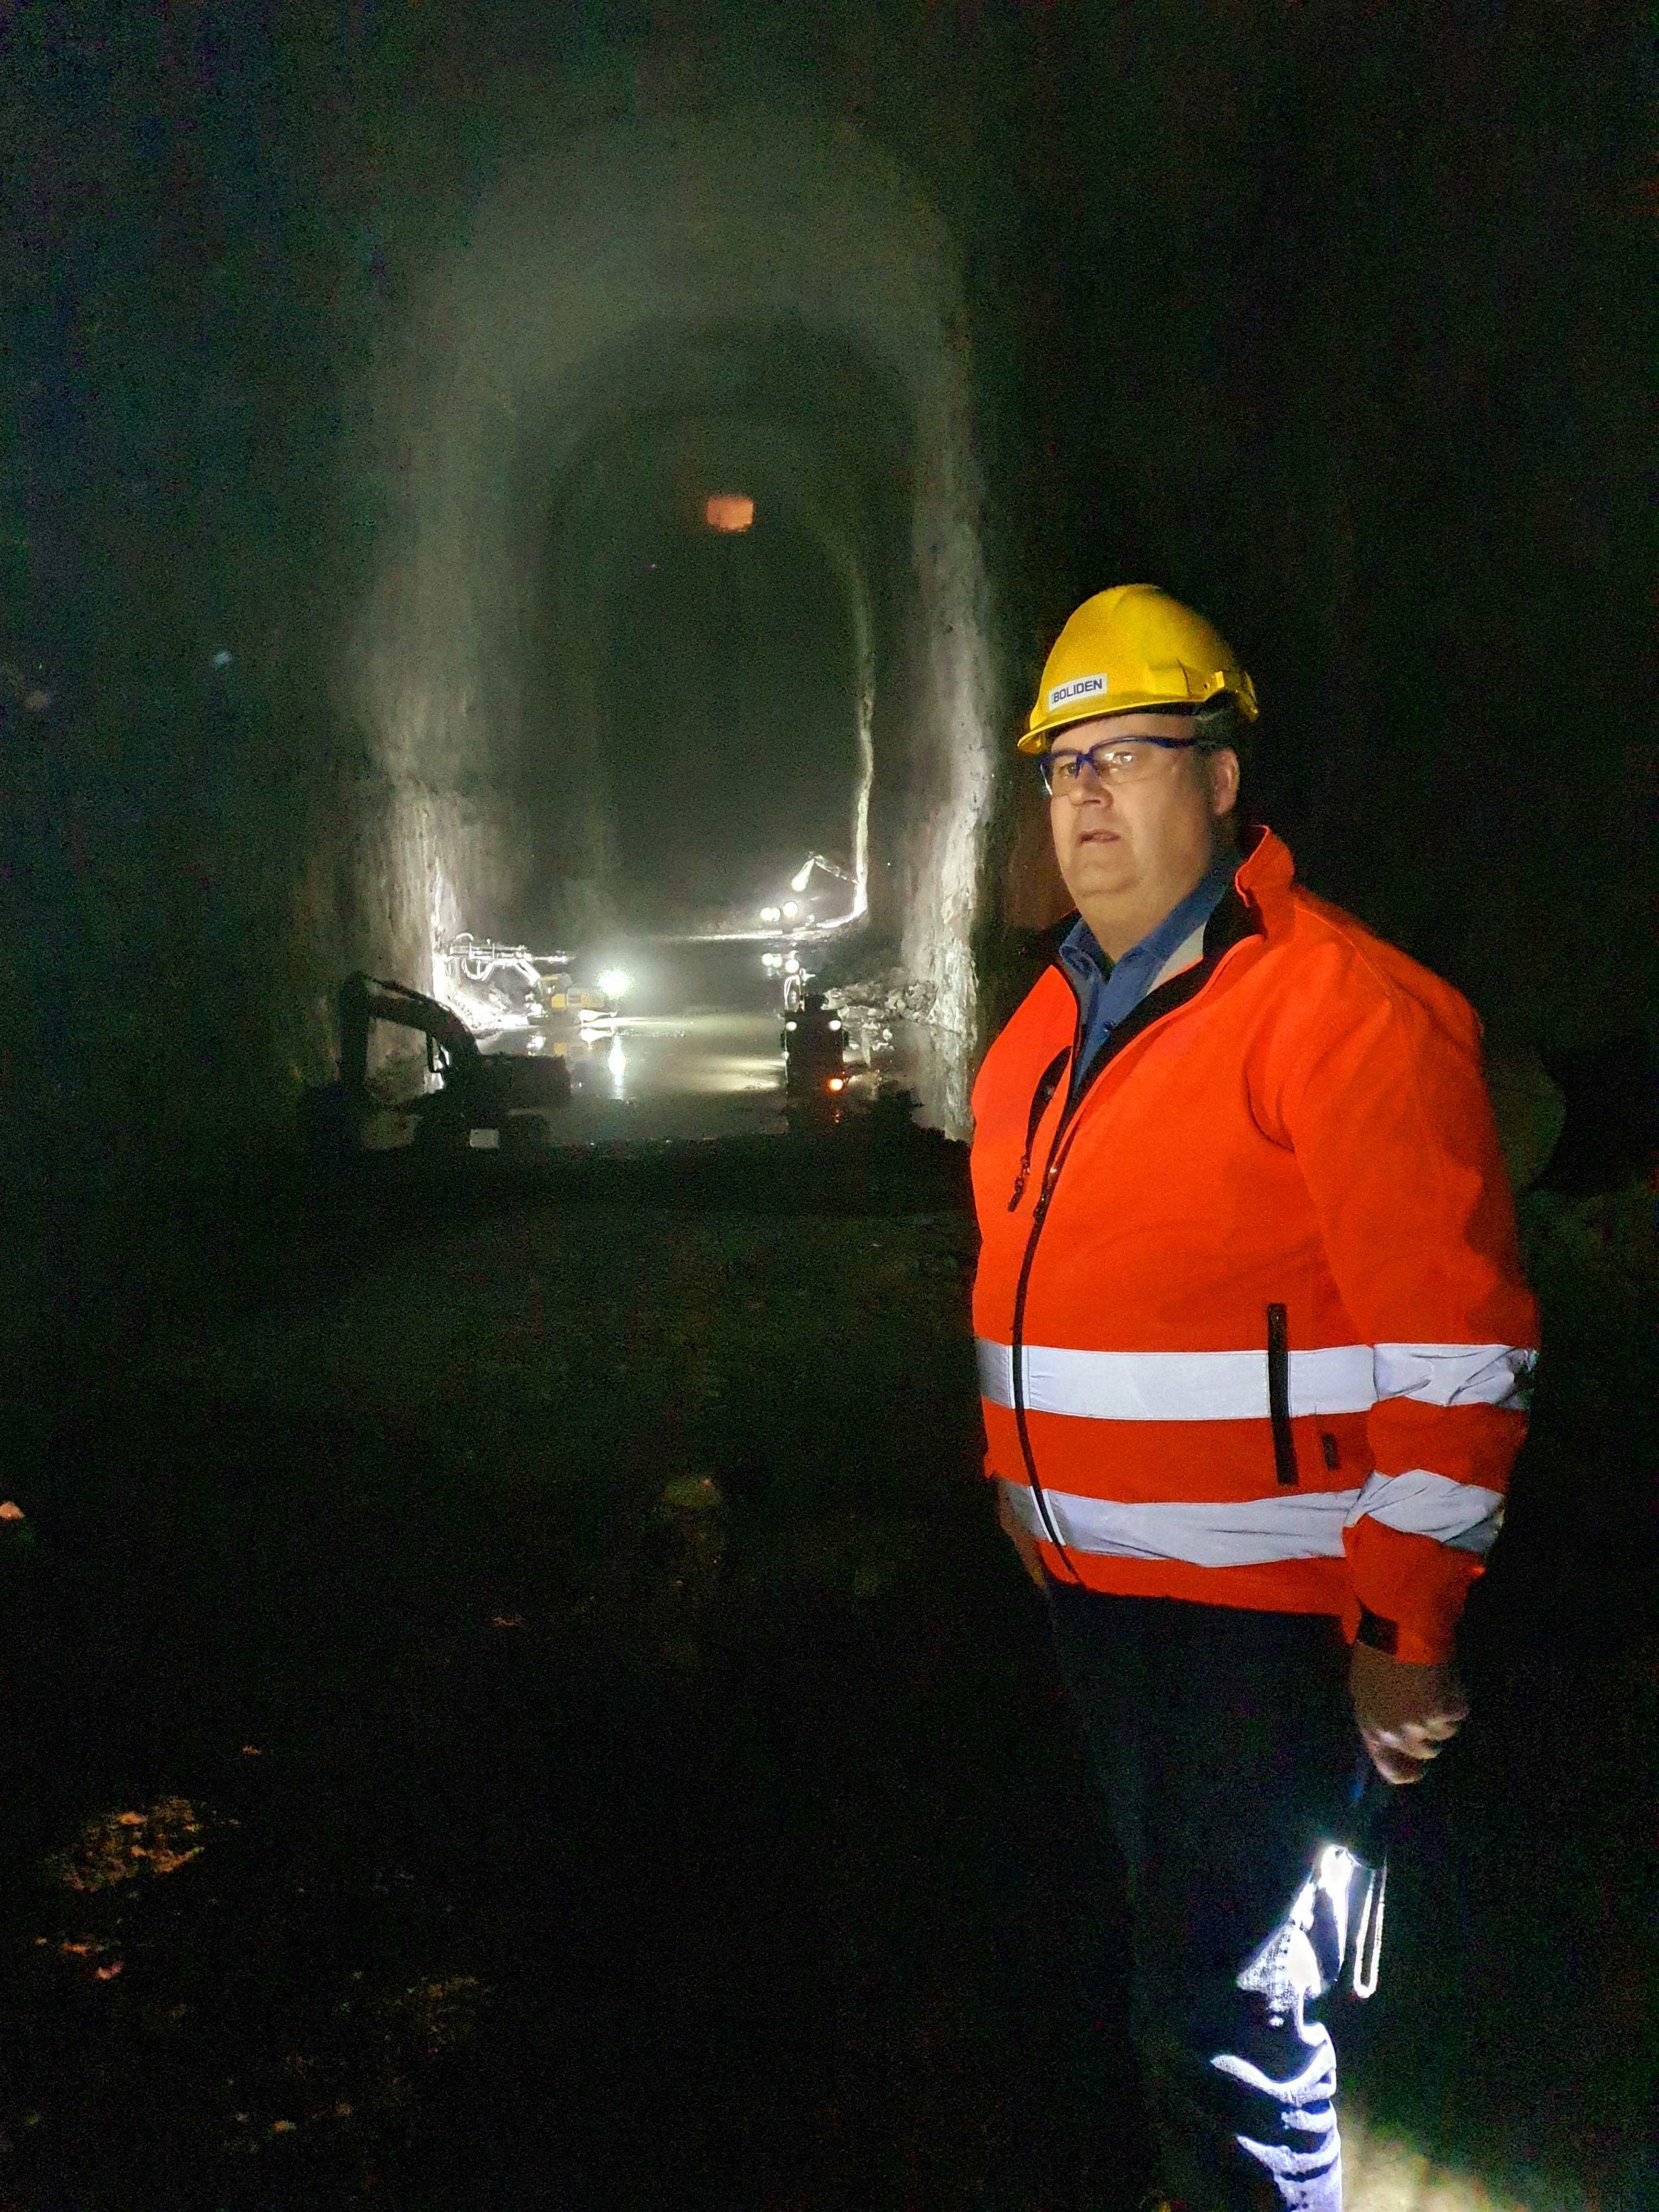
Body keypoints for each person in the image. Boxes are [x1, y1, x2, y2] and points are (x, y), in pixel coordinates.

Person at [969, 585, 1537, 2211]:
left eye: (1130, 756)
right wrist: (1024, 1485)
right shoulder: (1040, 1039)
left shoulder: (1344, 1016)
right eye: (1064, 765)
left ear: (1222, 782)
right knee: (1174, 1961)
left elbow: (1460, 1350)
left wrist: (1405, 1625)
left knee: (1223, 2003)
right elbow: (1036, 1300)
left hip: (1268, 1618)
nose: (1085, 797)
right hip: (1103, 1601)